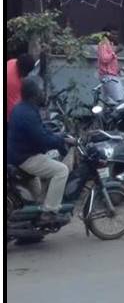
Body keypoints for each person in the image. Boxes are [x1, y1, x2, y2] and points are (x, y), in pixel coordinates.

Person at [7, 77, 75, 225]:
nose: (42, 93)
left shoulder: (23, 108)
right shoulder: (28, 113)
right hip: (25, 158)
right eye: (39, 90)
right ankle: (49, 212)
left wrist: (58, 135)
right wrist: (61, 141)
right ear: (33, 94)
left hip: (17, 155)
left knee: (38, 198)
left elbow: (41, 131)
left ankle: (32, 228)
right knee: (61, 170)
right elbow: (43, 139)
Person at [97, 26, 124, 105]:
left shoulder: (109, 44)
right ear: (106, 34)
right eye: (113, 34)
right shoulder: (103, 44)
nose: (116, 36)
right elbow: (104, 59)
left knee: (108, 101)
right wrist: (116, 51)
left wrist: (118, 69)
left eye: (117, 34)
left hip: (110, 75)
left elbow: (109, 62)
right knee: (121, 100)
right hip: (108, 77)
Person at [6, 53, 35, 122]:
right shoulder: (12, 82)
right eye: (26, 72)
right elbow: (14, 108)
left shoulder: (13, 61)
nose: (27, 74)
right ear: (22, 70)